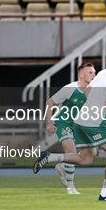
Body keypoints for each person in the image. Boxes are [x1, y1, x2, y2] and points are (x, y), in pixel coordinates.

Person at [33, 52, 106, 201]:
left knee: (86, 159)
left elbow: (89, 91)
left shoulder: (105, 72)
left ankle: (50, 157)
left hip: (80, 121)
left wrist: (93, 104)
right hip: (93, 123)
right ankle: (105, 194)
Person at [38, 63, 96, 195]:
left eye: (94, 72)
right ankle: (70, 188)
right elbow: (50, 102)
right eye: (90, 72)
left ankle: (62, 165)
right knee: (71, 150)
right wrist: (49, 122)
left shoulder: (94, 92)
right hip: (64, 123)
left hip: (81, 127)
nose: (94, 75)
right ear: (81, 74)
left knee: (89, 157)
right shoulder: (69, 89)